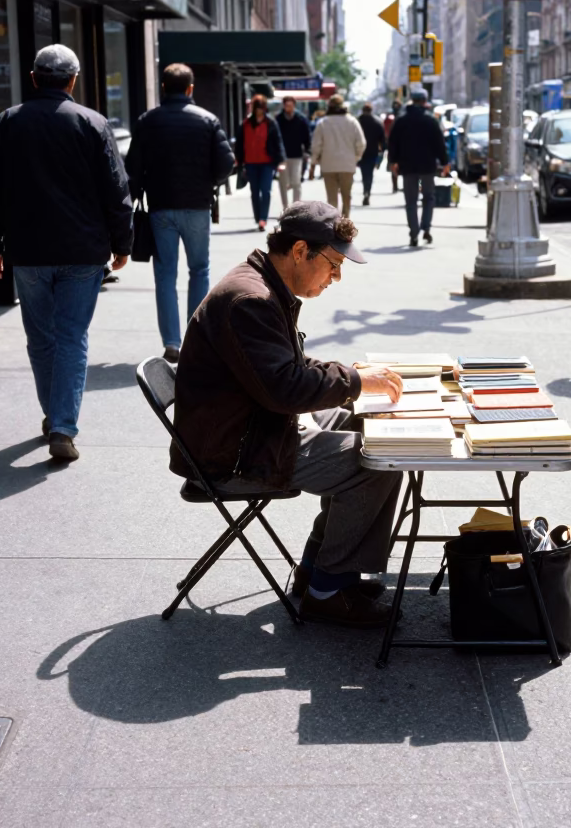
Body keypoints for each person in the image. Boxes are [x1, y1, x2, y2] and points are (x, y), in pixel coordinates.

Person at [171, 201, 405, 628]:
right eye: (333, 264)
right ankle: (328, 591)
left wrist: (353, 380)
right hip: (235, 453)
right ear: (300, 251)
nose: (336, 277)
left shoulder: (261, 286)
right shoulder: (251, 300)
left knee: (366, 427)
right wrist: (353, 381)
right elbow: (285, 388)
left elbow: (283, 369)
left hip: (251, 427)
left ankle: (320, 570)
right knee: (378, 461)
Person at [0, 44, 133, 462]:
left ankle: (55, 416)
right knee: (72, 337)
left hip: (29, 250)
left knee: (41, 337)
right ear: (73, 80)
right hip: (83, 251)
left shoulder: (8, 123)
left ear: (33, 78)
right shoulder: (92, 123)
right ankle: (63, 424)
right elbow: (117, 191)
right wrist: (123, 244)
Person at [125, 63, 235, 364]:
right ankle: (194, 338)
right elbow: (227, 164)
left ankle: (171, 342)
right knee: (199, 271)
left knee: (164, 275)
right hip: (198, 206)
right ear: (190, 89)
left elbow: (133, 170)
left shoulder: (148, 121)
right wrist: (208, 181)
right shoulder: (207, 120)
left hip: (161, 207)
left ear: (163, 87)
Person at [386, 88, 449, 247]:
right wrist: (445, 162)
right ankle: (426, 228)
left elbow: (393, 142)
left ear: (412, 101)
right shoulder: (431, 121)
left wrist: (393, 161)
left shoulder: (401, 120)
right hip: (427, 166)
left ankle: (414, 233)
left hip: (407, 166)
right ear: (425, 101)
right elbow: (439, 144)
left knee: (411, 201)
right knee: (428, 197)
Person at [310, 94, 366, 217]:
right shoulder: (352, 121)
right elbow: (361, 143)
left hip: (328, 165)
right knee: (347, 195)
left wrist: (314, 161)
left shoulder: (323, 123)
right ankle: (345, 222)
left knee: (331, 197)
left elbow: (316, 145)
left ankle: (333, 222)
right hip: (347, 164)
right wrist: (356, 157)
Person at [235, 94, 285, 231]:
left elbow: (278, 142)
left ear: (264, 108)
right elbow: (239, 144)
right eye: (256, 108)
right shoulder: (245, 124)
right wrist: (238, 160)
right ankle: (258, 218)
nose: (259, 110)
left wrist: (280, 161)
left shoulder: (270, 123)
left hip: (267, 163)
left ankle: (263, 219)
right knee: (255, 192)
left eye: (261, 108)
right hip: (250, 163)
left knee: (266, 191)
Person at [276, 95, 311, 208]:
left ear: (294, 106)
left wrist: (307, 150)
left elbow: (307, 136)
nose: (288, 108)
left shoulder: (301, 119)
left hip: (297, 155)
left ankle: (295, 207)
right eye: (286, 105)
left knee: (296, 182)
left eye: (290, 106)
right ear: (284, 106)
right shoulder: (278, 119)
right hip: (282, 157)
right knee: (283, 183)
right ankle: (285, 207)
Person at [356, 102, 386, 206]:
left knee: (364, 173)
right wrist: (383, 150)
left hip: (360, 152)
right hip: (372, 152)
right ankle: (367, 191)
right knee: (370, 173)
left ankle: (366, 190)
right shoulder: (377, 122)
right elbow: (382, 139)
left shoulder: (358, 121)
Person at [384, 100, 403, 192]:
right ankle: (396, 186)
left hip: (394, 146)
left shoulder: (391, 117)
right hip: (401, 147)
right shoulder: (402, 117)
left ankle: (395, 186)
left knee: (394, 167)